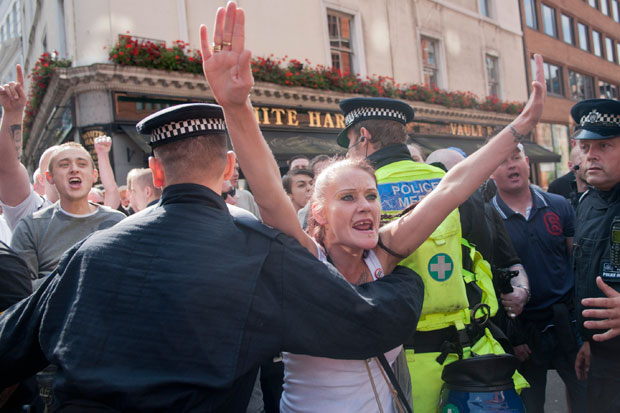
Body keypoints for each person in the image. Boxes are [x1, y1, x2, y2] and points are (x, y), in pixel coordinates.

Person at [198, 3, 545, 411]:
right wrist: (236, 106)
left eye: (370, 196)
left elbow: (452, 186)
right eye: (347, 197)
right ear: (318, 213)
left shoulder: (386, 254)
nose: (366, 206)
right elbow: (271, 196)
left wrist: (518, 129)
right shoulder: (305, 262)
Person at [0, 100, 424, 411]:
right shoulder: (258, 251)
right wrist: (405, 281)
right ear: (228, 168)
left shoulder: (91, 250)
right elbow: (363, 323)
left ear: (158, 171)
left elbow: (10, 342)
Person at [490, 144, 586, 413]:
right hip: (523, 332)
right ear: (489, 173)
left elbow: (577, 264)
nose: (511, 165)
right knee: (530, 406)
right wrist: (513, 336)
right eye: (502, 161)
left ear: (527, 161)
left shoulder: (558, 206)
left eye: (516, 157)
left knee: (586, 397)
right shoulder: (488, 217)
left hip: (566, 323)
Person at [10, 142, 125, 282]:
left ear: (94, 175)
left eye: (82, 164)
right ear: (49, 177)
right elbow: (21, 291)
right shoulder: (31, 227)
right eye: (64, 165)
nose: (74, 169)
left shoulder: (118, 222)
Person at [570, 99, 620, 411]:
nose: (592, 155)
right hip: (603, 362)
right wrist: (586, 341)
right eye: (586, 147)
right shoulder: (587, 202)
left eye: (604, 145)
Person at [0, 65, 59, 232]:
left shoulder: (109, 217)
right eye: (61, 164)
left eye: (80, 163)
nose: (73, 169)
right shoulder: (32, 212)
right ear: (44, 177)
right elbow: (7, 167)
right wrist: (13, 112)